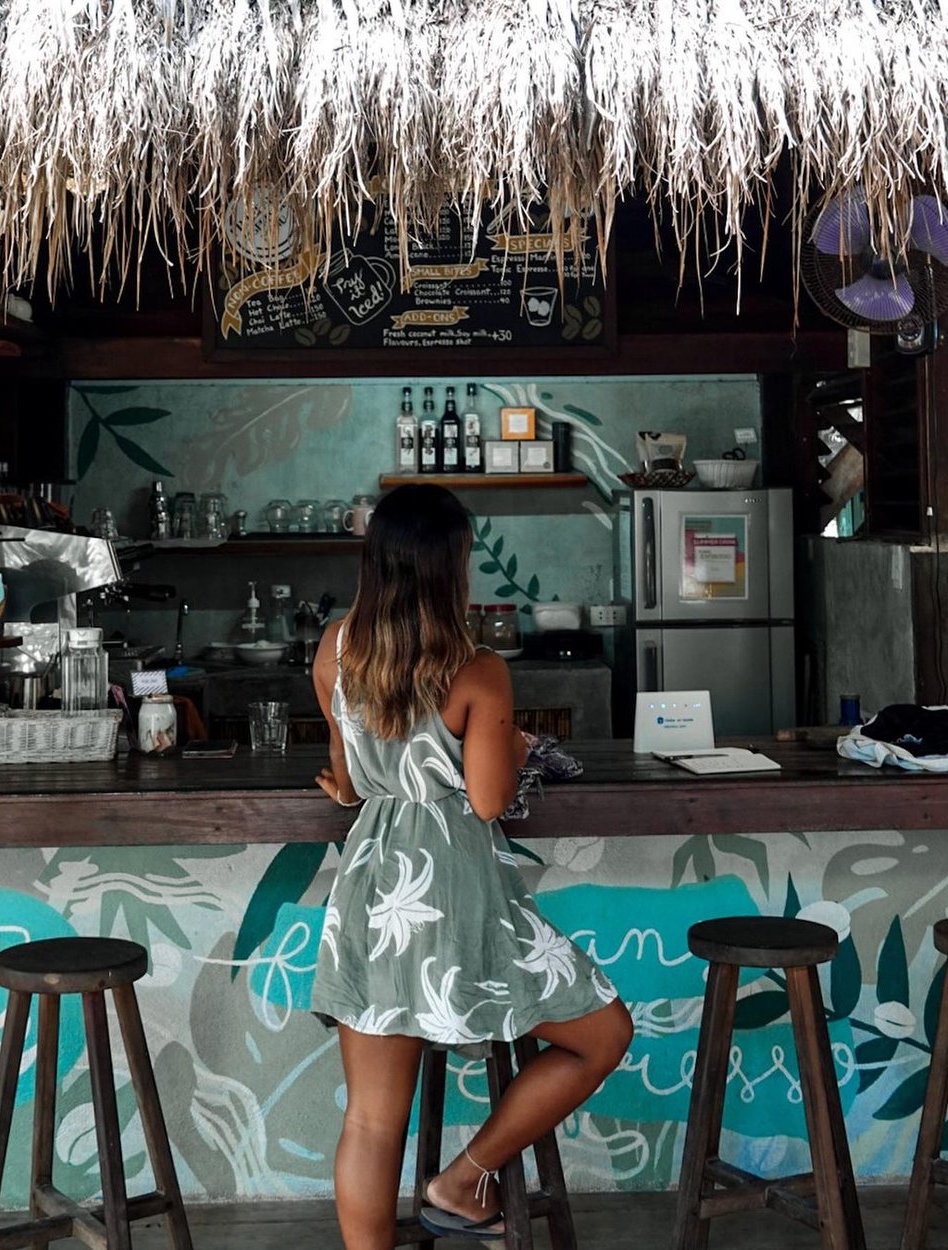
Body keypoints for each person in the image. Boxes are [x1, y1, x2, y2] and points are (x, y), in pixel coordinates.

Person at [311, 483, 633, 1250]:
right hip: (457, 894)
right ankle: (464, 1179)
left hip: (374, 889)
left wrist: (362, 786)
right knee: (603, 1035)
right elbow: (488, 801)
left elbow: (349, 780)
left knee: (370, 1120)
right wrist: (512, 746)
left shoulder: (335, 649)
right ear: (450, 568)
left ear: (375, 562)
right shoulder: (477, 668)